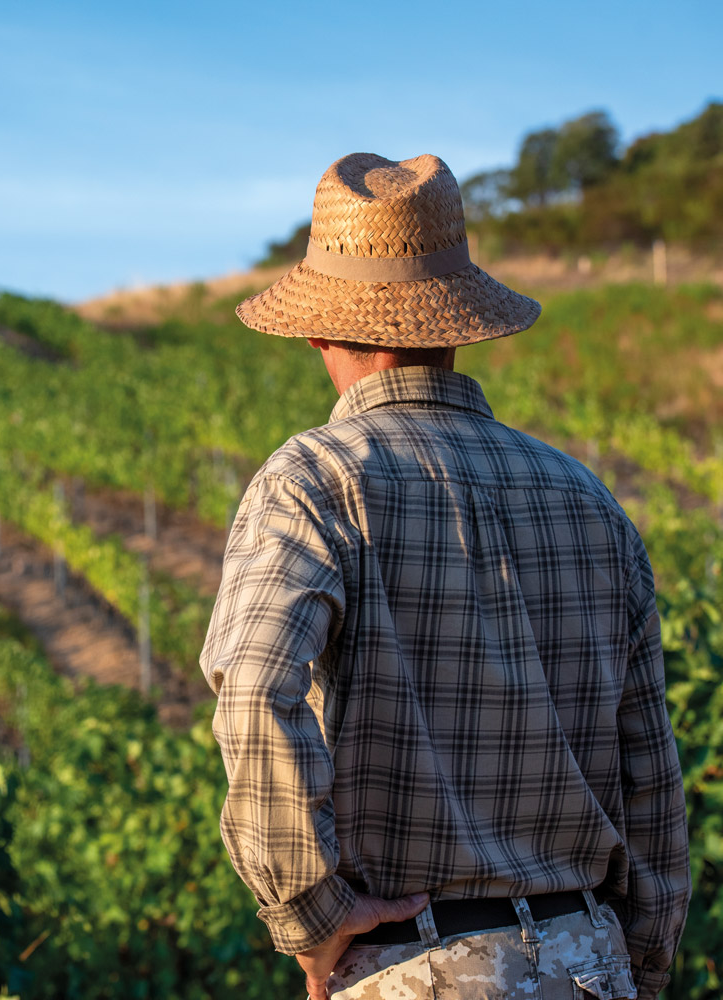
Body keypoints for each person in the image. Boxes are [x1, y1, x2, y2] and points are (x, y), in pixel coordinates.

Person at [200, 153, 690, 1000]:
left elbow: (252, 690)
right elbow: (649, 768)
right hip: (589, 963)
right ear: (459, 324)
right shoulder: (590, 502)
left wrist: (309, 916)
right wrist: (640, 965)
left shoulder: (315, 480)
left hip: (415, 965)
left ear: (318, 330)